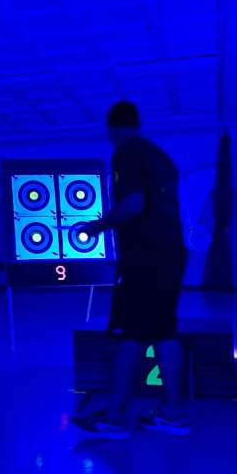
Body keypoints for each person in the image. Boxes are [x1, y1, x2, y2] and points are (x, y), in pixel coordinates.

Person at [73, 101, 189, 439]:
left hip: (144, 258)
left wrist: (95, 227)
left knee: (129, 333)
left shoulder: (125, 153)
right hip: (170, 254)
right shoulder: (160, 156)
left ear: (113, 128)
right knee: (163, 332)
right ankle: (173, 413)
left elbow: (133, 204)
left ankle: (113, 418)